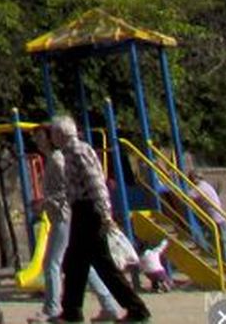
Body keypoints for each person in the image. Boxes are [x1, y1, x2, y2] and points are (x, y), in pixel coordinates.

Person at [48, 115, 149, 323]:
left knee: (103, 265)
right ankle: (71, 312)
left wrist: (104, 214)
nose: (51, 137)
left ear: (61, 133)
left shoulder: (78, 151)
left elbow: (96, 184)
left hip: (89, 212)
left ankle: (138, 310)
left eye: (53, 133)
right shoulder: (68, 153)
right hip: (81, 210)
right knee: (75, 263)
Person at [33, 125, 126, 322]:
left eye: (40, 137)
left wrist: (46, 202)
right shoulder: (51, 159)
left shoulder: (58, 159)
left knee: (52, 263)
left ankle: (52, 309)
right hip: (61, 215)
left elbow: (69, 190)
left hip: (64, 216)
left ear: (51, 138)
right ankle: (109, 306)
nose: (37, 141)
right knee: (82, 265)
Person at [187, 167, 226, 268]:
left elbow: (186, 196)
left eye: (190, 179)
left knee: (223, 245)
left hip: (217, 221)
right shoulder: (206, 186)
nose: (190, 181)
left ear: (196, 178)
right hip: (219, 219)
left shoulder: (200, 188)